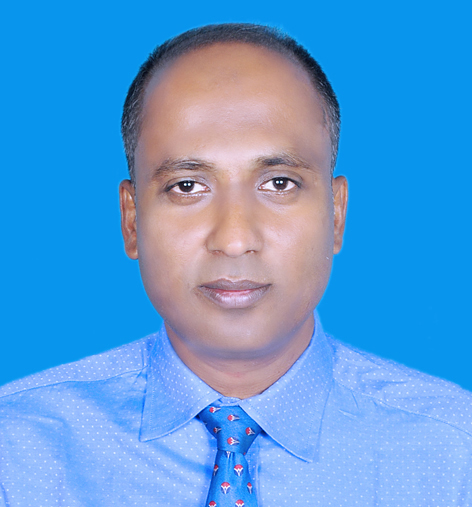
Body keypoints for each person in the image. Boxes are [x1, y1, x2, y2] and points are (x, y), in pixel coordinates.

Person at [0, 23, 471, 506]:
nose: (234, 240)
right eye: (187, 187)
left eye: (279, 183)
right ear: (131, 219)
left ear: (336, 214)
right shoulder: (16, 452)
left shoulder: (455, 454)